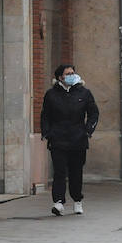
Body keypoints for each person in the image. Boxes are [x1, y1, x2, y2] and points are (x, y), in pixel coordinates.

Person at [40, 63, 99, 216]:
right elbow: (45, 115)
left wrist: (88, 130)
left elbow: (93, 113)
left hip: (78, 139)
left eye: (73, 72)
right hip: (58, 138)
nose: (72, 75)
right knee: (59, 172)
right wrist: (47, 132)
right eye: (68, 73)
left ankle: (77, 200)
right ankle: (58, 202)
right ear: (60, 77)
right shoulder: (51, 95)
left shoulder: (84, 93)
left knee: (76, 172)